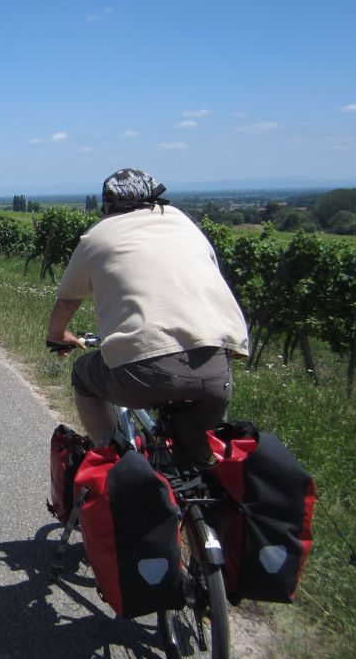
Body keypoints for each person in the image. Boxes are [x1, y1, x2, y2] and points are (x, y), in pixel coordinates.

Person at [46, 168, 249, 468]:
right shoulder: (184, 223)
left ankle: (111, 458)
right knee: (193, 469)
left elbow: (67, 300)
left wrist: (57, 336)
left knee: (83, 375)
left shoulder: (99, 235)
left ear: (108, 205)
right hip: (215, 370)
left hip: (141, 373)